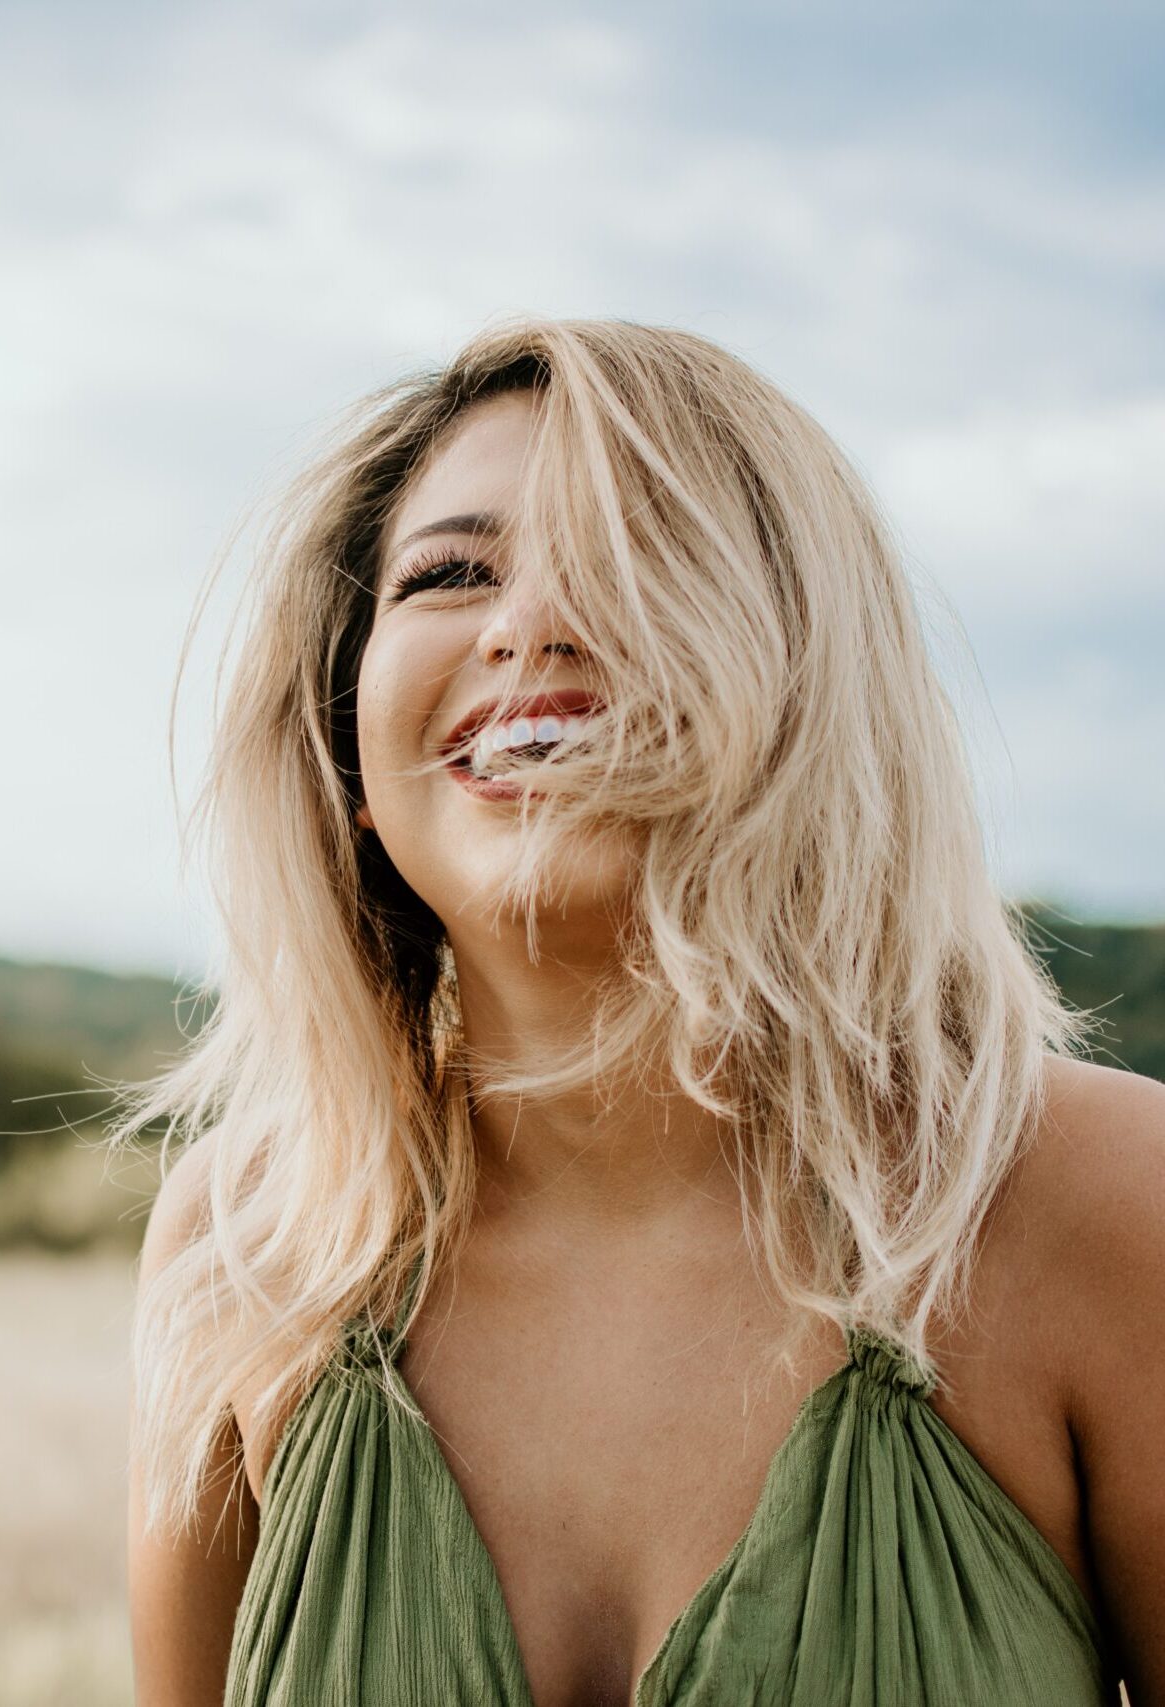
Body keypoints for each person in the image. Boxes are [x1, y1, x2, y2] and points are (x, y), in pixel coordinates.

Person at [119, 317, 1162, 1705]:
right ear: (347, 749)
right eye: (448, 572)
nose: (529, 622)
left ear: (812, 681)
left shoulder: (1096, 1202)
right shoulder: (242, 1246)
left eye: (640, 559)